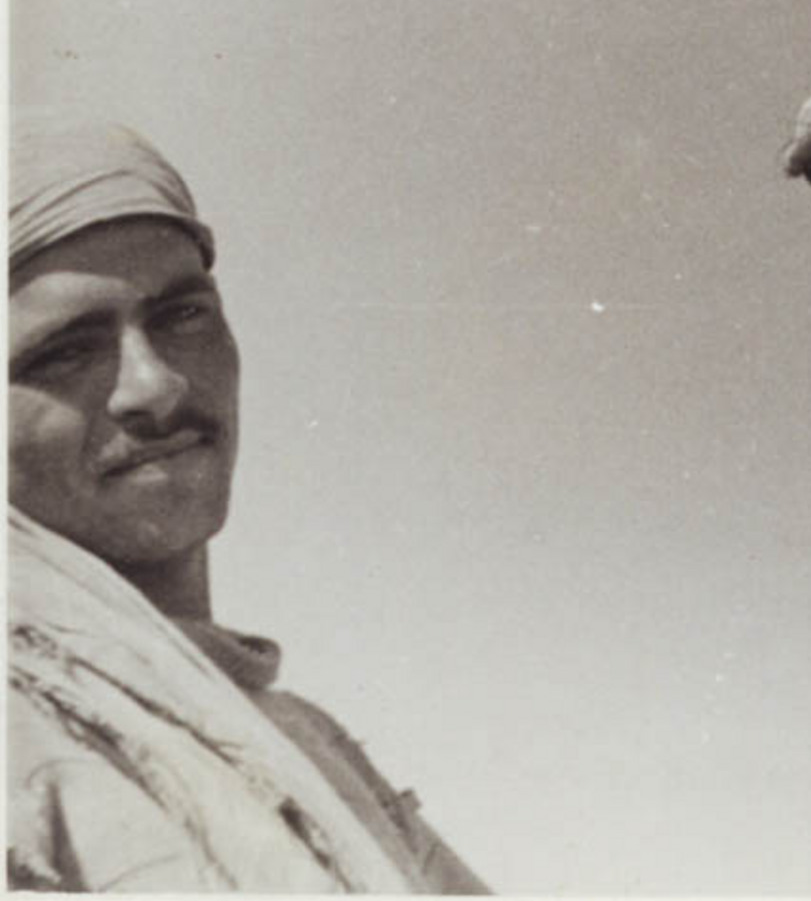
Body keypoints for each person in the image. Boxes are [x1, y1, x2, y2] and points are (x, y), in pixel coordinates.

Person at [7, 110, 487, 893]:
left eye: (182, 315)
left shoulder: (307, 746)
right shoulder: (23, 735)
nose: (155, 386)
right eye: (64, 353)